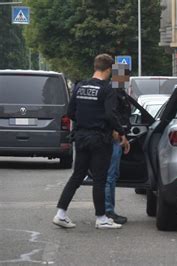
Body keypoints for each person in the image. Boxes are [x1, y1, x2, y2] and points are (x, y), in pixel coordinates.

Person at [53, 54, 126, 229]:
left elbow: (70, 112)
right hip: (100, 139)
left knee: (77, 176)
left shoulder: (80, 86)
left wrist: (84, 119)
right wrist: (121, 131)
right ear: (108, 70)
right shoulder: (107, 89)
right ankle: (101, 218)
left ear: (95, 67)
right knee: (100, 179)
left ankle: (60, 214)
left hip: (81, 137)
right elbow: (110, 114)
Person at [105, 65, 131, 225]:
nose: (125, 80)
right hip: (114, 138)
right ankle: (108, 211)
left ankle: (108, 210)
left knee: (111, 176)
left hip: (116, 136)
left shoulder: (117, 91)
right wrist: (118, 132)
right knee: (110, 176)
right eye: (124, 77)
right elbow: (111, 114)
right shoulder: (114, 92)